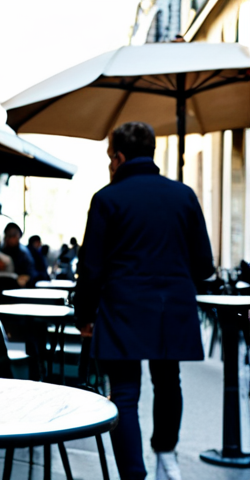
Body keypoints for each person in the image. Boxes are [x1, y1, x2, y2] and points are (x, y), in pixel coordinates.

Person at [74, 122, 214, 480]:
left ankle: (134, 476)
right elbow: (203, 265)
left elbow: (91, 268)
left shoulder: (106, 199)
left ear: (118, 158)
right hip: (173, 306)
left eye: (110, 158)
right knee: (169, 383)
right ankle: (166, 457)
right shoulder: (184, 196)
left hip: (123, 306)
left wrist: (84, 316)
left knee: (124, 393)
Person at [0, 222, 37, 287]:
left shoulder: (24, 253)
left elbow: (31, 273)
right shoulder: (0, 251)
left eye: (14, 236)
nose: (11, 239)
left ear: (19, 236)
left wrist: (25, 278)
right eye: (8, 235)